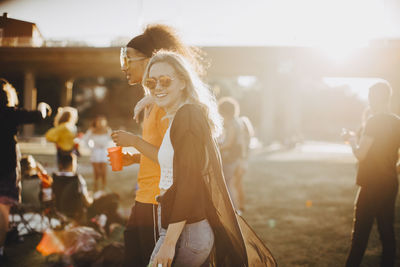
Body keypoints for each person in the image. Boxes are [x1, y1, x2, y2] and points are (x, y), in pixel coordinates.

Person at [112, 51, 276, 266]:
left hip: (185, 231)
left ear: (182, 82)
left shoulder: (187, 116)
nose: (158, 87)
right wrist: (153, 97)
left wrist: (169, 243)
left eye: (165, 80)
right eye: (151, 82)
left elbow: (188, 181)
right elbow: (176, 166)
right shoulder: (179, 116)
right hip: (181, 227)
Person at [117, 24, 206, 267]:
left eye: (129, 59)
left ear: (151, 60)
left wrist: (134, 142)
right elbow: (166, 151)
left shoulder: (168, 107)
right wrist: (135, 157)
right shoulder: (153, 103)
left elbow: (180, 162)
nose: (124, 66)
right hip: (144, 198)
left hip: (158, 202)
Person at [342, 81, 400, 267]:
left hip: (371, 183)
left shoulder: (374, 121)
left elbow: (360, 154)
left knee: (360, 235)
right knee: (386, 231)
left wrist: (351, 140)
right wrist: (393, 167)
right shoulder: (397, 121)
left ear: (373, 98)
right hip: (390, 183)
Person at [0, 79, 51, 262]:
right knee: (3, 209)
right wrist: (43, 106)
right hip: (5, 166)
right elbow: (40, 115)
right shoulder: (10, 113)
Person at [218, 97, 245, 212]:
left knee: (227, 185)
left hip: (229, 158)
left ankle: (233, 210)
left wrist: (216, 147)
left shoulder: (232, 124)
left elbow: (229, 143)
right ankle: (234, 209)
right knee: (231, 184)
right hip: (235, 158)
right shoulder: (237, 122)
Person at [52, 153, 92, 223]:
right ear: (72, 165)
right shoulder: (78, 180)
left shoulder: (54, 179)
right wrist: (91, 199)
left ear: (60, 164)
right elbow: (86, 201)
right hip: (75, 217)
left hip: (57, 216)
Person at [82, 116, 113, 192]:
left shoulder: (107, 130)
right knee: (96, 172)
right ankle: (96, 186)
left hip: (104, 152)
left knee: (104, 171)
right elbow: (85, 139)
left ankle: (103, 186)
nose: (100, 123)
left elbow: (111, 140)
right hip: (95, 152)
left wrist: (109, 148)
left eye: (102, 121)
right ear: (96, 122)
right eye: (99, 122)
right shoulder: (92, 130)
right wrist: (90, 148)